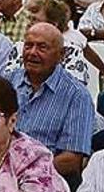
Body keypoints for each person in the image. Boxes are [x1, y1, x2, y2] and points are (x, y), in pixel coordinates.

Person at [7, 23, 94, 182]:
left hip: (43, 180)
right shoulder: (6, 82)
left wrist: (24, 175)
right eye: (28, 46)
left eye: (42, 47)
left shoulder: (77, 96)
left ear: (61, 55)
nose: (32, 53)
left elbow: (71, 159)